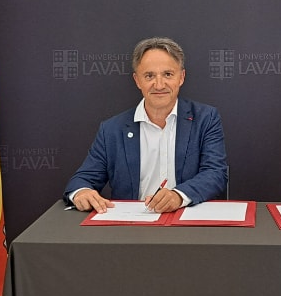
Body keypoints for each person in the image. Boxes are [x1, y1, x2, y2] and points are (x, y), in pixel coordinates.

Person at [64, 37, 228, 213]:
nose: (159, 84)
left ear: (181, 77)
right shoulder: (112, 129)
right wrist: (82, 192)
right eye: (149, 76)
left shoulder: (205, 118)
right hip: (130, 226)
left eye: (168, 74)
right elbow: (82, 179)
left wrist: (179, 196)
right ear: (137, 80)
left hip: (187, 220)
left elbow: (215, 173)